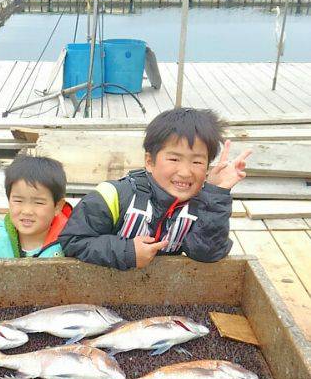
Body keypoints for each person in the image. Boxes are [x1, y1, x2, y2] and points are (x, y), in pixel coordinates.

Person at [59, 107, 251, 270]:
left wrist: (216, 193)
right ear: (150, 161)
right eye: (174, 159)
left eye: (197, 161)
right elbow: (72, 241)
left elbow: (207, 253)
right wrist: (127, 252)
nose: (185, 172)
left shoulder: (203, 203)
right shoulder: (112, 197)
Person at [0, 155, 71, 259]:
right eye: (18, 200)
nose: (27, 211)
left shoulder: (72, 241)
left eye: (38, 202)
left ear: (57, 206)